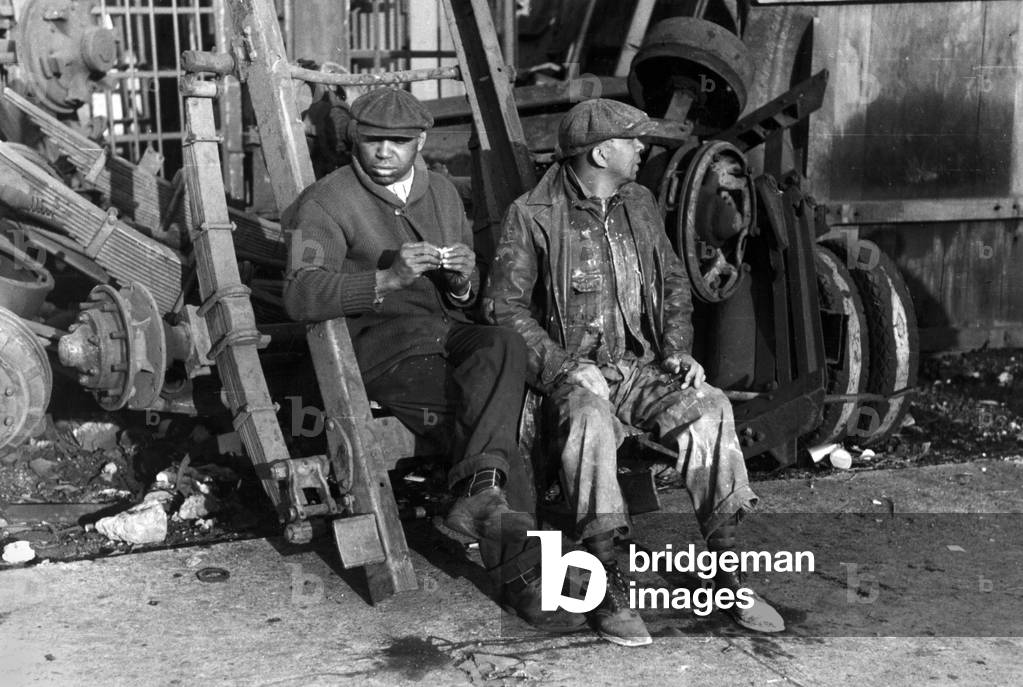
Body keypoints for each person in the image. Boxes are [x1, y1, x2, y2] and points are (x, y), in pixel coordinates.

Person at [484, 98, 785, 646]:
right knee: (591, 424)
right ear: (601, 152)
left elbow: (672, 282)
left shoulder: (639, 202)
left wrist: (677, 350)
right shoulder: (532, 214)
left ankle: (727, 570)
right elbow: (504, 309)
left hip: (639, 368)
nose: (643, 148)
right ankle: (608, 581)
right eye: (634, 140)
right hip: (571, 380)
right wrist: (564, 367)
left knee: (710, 407)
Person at [282, 87, 584, 632]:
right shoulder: (326, 201)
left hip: (446, 334)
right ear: (356, 138)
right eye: (372, 140)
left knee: (505, 343)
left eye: (398, 142)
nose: (383, 152)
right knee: (504, 438)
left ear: (419, 141)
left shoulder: (442, 192)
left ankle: (476, 493)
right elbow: (301, 293)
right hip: (384, 350)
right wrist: (384, 279)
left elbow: (464, 300)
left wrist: (463, 280)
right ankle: (522, 578)